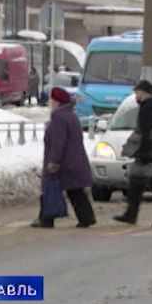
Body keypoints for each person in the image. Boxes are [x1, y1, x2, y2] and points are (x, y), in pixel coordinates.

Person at [114, 80, 152, 228]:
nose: (136, 96)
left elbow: (148, 133)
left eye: (137, 93)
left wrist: (143, 153)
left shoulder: (149, 108)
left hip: (151, 154)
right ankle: (130, 214)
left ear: (144, 93)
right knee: (136, 185)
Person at [31, 87, 97, 229]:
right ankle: (86, 217)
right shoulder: (70, 115)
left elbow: (58, 141)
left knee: (49, 187)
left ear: (57, 102)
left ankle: (47, 218)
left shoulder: (59, 117)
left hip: (64, 161)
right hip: (74, 160)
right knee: (75, 190)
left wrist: (54, 161)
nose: (50, 102)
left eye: (52, 100)